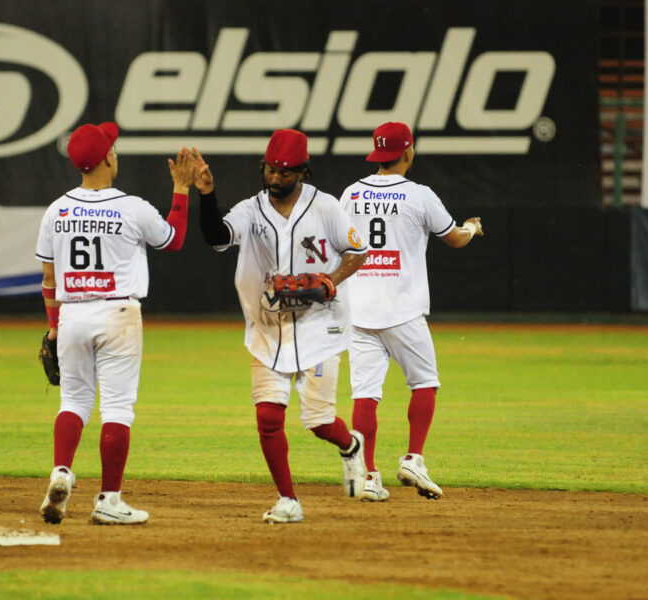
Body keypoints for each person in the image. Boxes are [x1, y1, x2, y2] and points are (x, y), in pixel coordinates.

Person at [191, 129, 369, 523]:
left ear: (302, 172)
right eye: (269, 170)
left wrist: (329, 281)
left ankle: (350, 445)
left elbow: (358, 252)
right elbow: (216, 236)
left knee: (319, 421)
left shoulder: (326, 207)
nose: (274, 179)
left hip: (320, 327)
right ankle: (288, 499)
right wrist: (206, 195)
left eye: (284, 173)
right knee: (268, 418)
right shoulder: (250, 209)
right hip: (267, 328)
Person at [35, 121, 198, 524]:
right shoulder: (132, 206)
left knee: (73, 401)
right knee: (118, 410)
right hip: (118, 314)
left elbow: (48, 281)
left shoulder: (56, 210)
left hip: (71, 314)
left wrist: (54, 328)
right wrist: (181, 190)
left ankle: (61, 471)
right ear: (109, 157)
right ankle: (108, 501)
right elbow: (174, 240)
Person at [339, 121, 483, 501]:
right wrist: (470, 228)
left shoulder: (351, 194)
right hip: (403, 310)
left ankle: (369, 475)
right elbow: (453, 238)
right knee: (424, 383)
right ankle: (413, 458)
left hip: (359, 312)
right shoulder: (419, 195)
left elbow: (337, 244)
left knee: (365, 396)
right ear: (408, 153)